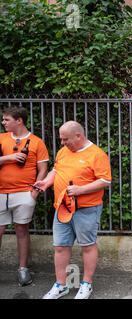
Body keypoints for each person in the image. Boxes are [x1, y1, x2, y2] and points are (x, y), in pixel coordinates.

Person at [34, 121, 111, 299]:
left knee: (87, 246)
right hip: (62, 207)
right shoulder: (63, 151)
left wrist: (80, 190)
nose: (62, 143)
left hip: (86, 208)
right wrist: (46, 182)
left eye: (65, 139)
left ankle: (86, 284)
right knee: (60, 246)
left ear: (79, 136)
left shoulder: (96, 154)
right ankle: (61, 285)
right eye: (61, 139)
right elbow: (56, 170)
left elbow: (105, 181)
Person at [0, 107, 49, 286]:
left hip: (24, 193)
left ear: (19, 120)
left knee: (22, 230)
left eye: (6, 120)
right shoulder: (1, 138)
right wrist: (9, 158)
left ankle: (23, 269)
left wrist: (34, 192)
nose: (3, 123)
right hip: (0, 192)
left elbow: (43, 169)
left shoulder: (36, 142)